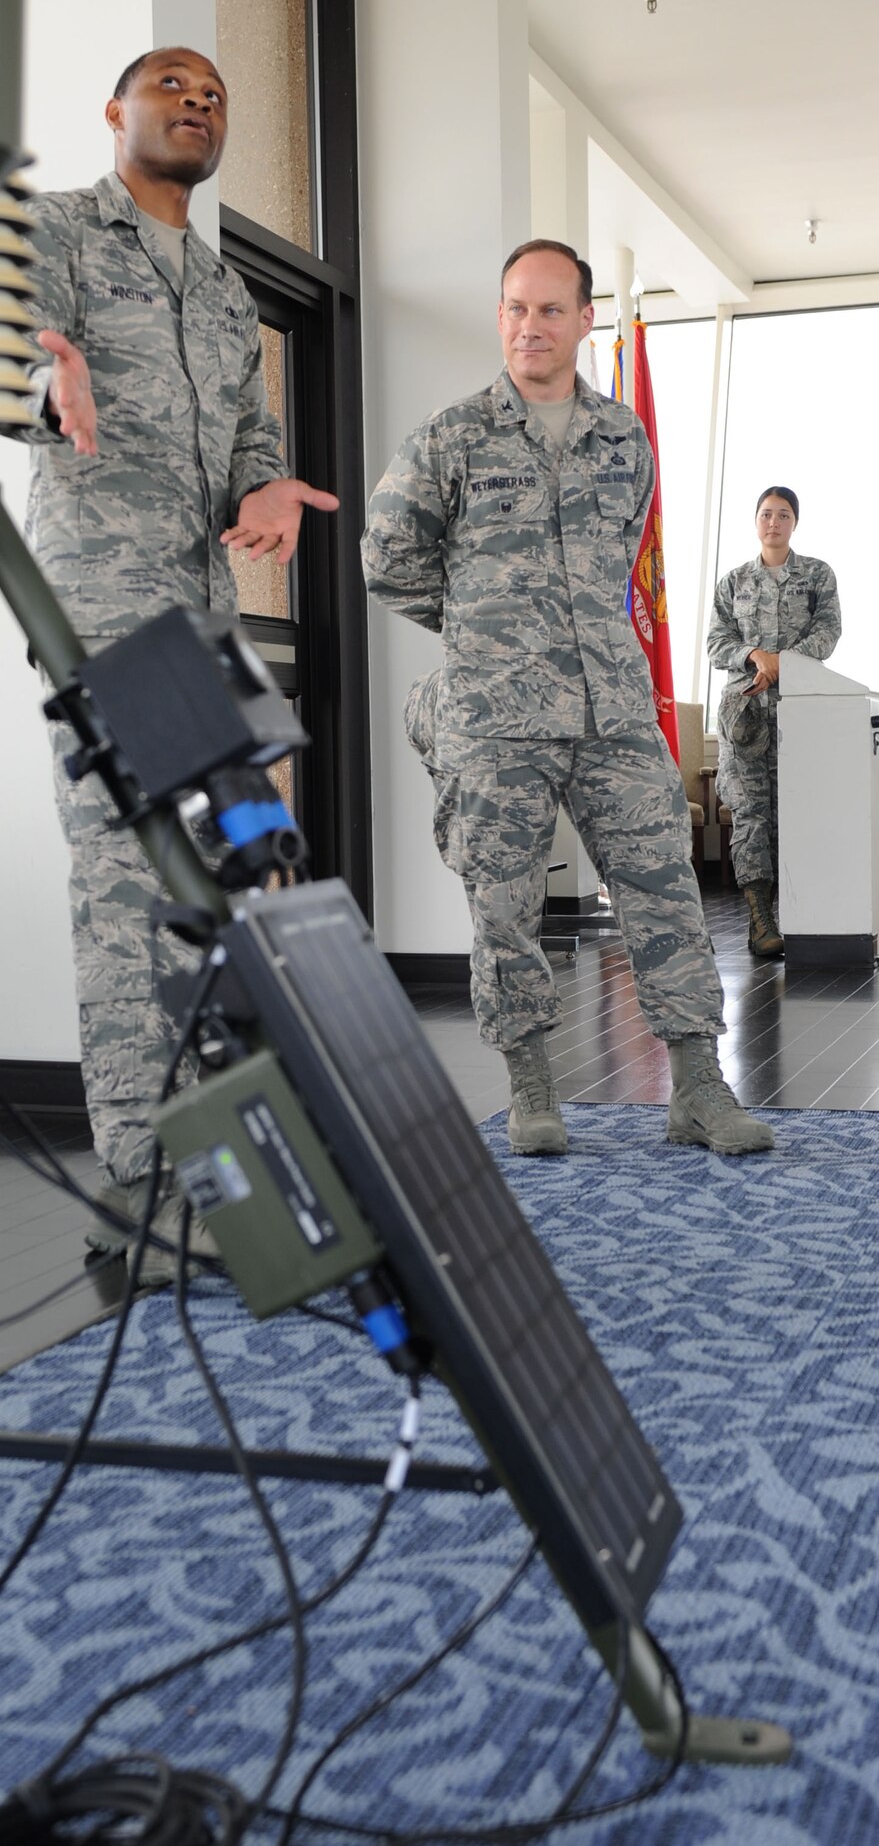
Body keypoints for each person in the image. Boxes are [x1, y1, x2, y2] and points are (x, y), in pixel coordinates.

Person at [24, 48, 338, 1275]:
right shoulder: (59, 228)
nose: (196, 100)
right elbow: (14, 343)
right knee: (124, 879)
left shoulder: (219, 292)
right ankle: (141, 1176)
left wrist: (267, 483)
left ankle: (235, 1141)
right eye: (170, 86)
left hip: (206, 616)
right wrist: (49, 378)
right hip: (103, 607)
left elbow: (255, 438)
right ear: (115, 113)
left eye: (214, 91)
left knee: (238, 858)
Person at [362, 238, 772, 1158]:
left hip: (613, 709)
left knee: (663, 889)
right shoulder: (449, 436)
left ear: (585, 321)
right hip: (494, 717)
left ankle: (698, 1087)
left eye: (550, 309)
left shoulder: (624, 438)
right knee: (501, 904)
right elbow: (385, 562)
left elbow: (620, 557)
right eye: (514, 307)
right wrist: (483, 632)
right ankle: (529, 1084)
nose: (528, 325)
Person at [706, 488, 841, 958]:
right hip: (743, 717)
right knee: (749, 816)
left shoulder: (818, 575)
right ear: (755, 521)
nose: (773, 522)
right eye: (766, 514)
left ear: (795, 523)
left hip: (800, 713)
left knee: (793, 815)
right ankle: (760, 919)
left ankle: (797, 912)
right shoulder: (734, 581)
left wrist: (783, 661)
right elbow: (716, 641)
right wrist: (753, 655)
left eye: (783, 515)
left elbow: (829, 631)